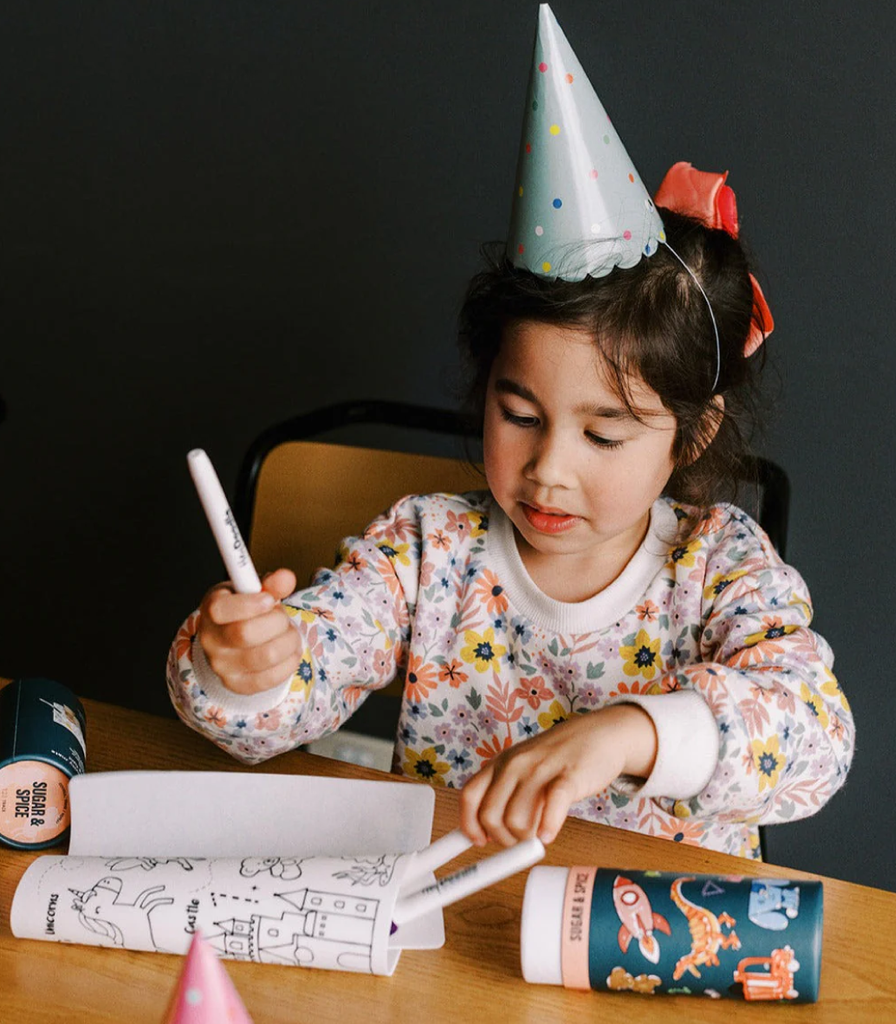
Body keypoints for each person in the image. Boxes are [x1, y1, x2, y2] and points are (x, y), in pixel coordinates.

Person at [166, 6, 853, 859]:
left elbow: (817, 741)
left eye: (605, 436)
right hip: (454, 933)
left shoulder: (719, 568)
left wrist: (625, 732)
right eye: (519, 415)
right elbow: (273, 715)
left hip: (647, 948)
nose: (548, 471)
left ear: (694, 433)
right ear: (485, 385)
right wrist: (238, 672)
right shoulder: (427, 550)